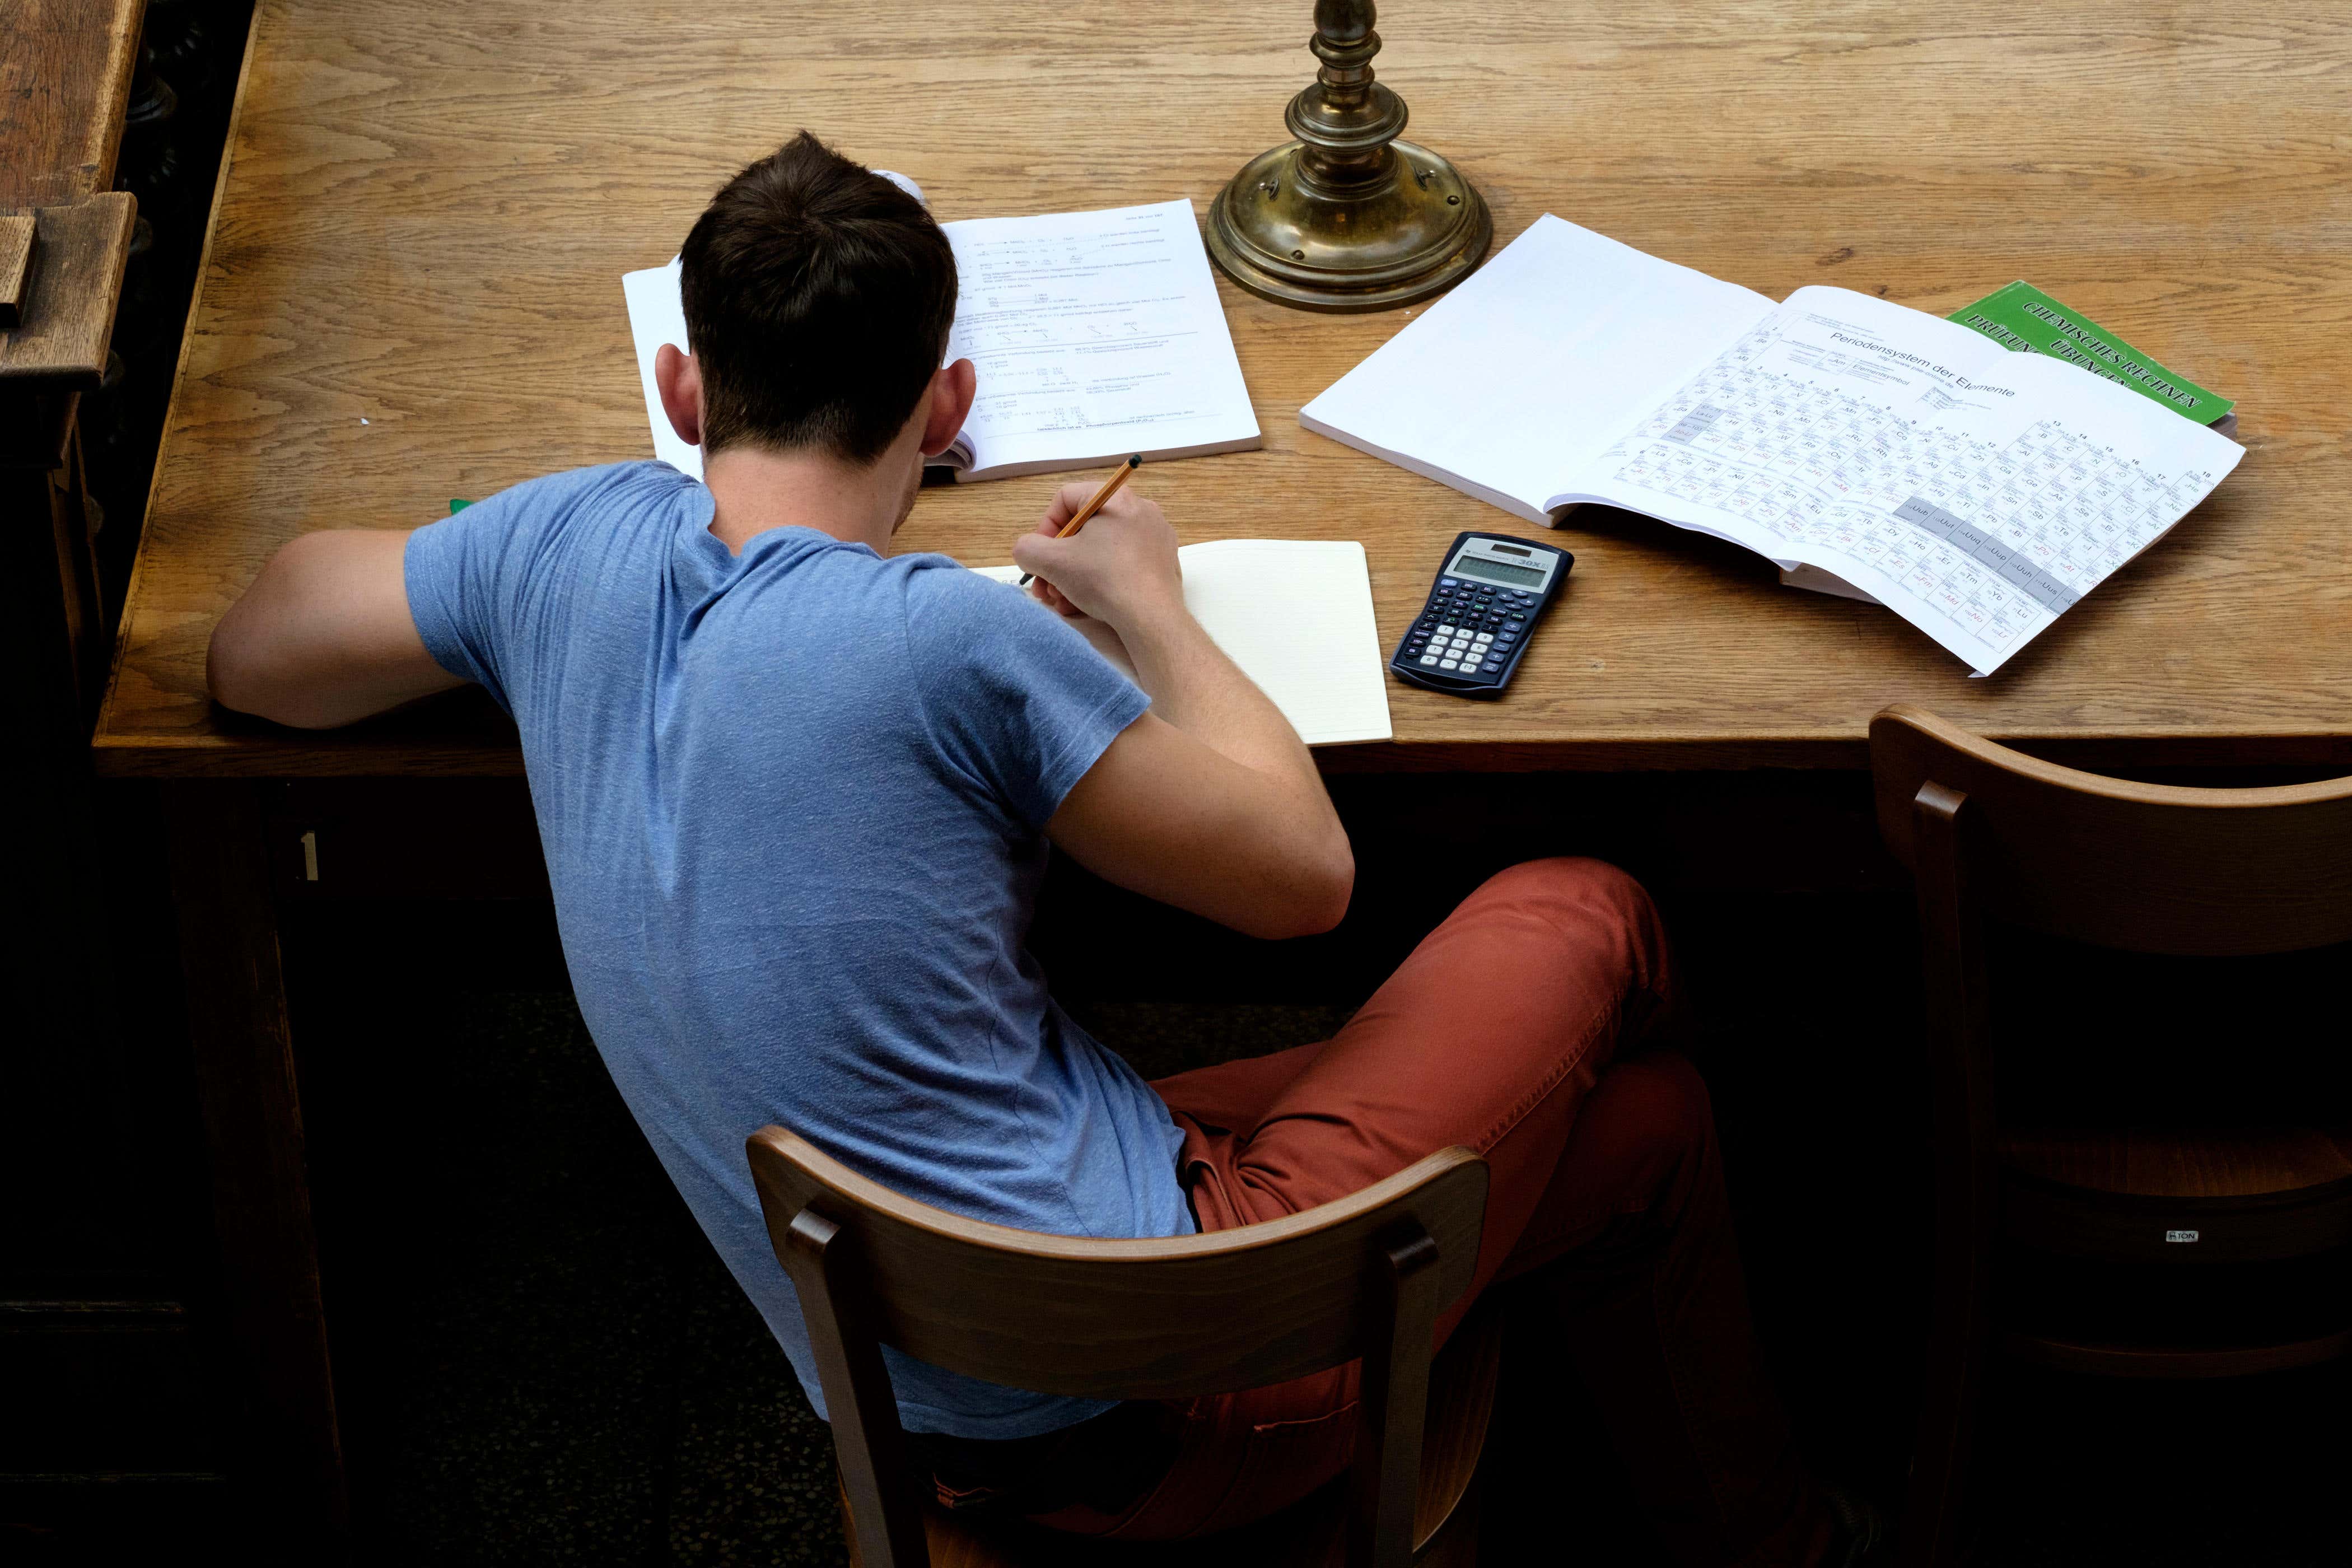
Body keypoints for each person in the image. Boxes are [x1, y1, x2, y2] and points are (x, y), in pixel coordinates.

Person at [206, 132, 1869, 1566]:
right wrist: (1149, 607)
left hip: (888, 1359)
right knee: (1584, 908)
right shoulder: (945, 640)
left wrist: (498, 563)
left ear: (682, 389)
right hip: (1171, 1376)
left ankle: (1761, 1532)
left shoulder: (567, 542)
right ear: (948, 406)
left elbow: (260, 646)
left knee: (1651, 1130)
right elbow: (1303, 879)